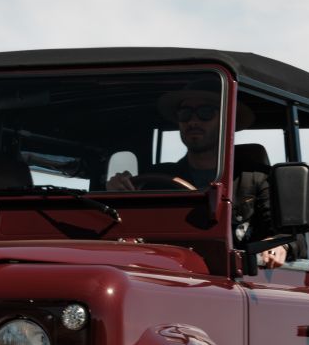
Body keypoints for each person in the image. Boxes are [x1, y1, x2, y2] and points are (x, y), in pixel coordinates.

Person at [107, 82, 299, 268]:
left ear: (226, 121)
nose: (193, 121)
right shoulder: (155, 178)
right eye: (185, 114)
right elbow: (124, 233)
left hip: (233, 276)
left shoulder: (255, 178)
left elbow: (294, 236)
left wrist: (279, 246)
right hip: (163, 273)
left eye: (205, 113)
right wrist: (115, 195)